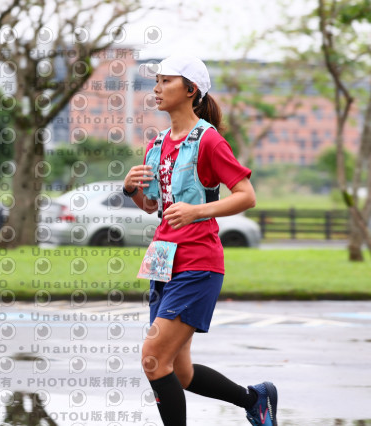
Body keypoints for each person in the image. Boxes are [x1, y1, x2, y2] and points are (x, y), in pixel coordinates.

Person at [122, 55, 278, 426]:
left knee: (153, 359)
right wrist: (130, 190)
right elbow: (153, 206)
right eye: (156, 81)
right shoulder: (158, 144)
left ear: (191, 89)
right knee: (180, 372)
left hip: (198, 263)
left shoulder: (209, 141)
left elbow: (246, 196)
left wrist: (197, 211)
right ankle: (255, 399)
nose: (157, 88)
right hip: (163, 262)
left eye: (166, 81)